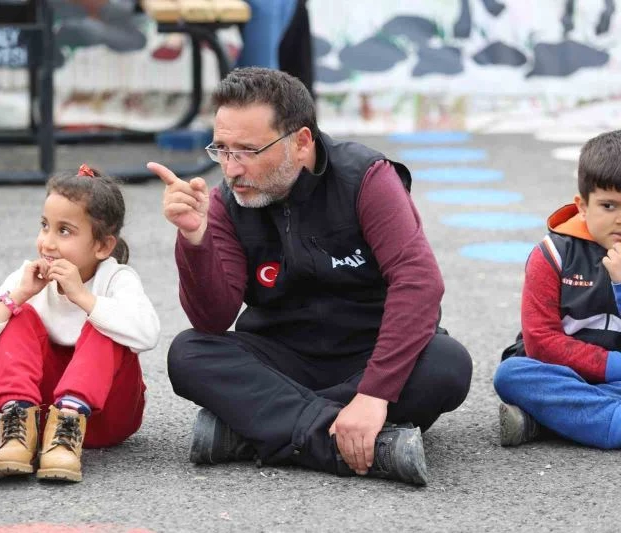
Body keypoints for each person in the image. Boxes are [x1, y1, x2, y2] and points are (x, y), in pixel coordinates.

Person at [149, 67, 472, 486]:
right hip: (281, 356)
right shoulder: (225, 203)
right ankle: (358, 445)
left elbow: (419, 283)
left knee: (447, 365)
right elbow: (212, 320)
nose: (231, 169)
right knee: (189, 353)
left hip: (369, 354)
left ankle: (252, 431)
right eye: (222, 150)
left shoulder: (366, 179)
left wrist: (373, 394)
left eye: (247, 150)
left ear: (301, 143)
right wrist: (195, 240)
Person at [0, 165, 160, 483]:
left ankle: (69, 420)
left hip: (108, 416)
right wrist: (16, 297)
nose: (47, 243)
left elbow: (148, 334)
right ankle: (16, 427)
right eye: (45, 226)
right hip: (39, 417)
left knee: (105, 323)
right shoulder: (27, 278)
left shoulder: (116, 278)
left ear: (102, 246)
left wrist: (84, 298)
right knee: (17, 314)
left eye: (64, 231)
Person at [494, 130, 621, 449]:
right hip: (561, 373)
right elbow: (541, 342)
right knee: (511, 374)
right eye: (609, 206)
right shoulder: (552, 254)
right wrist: (612, 366)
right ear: (582, 206)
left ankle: (545, 421)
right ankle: (606, 422)